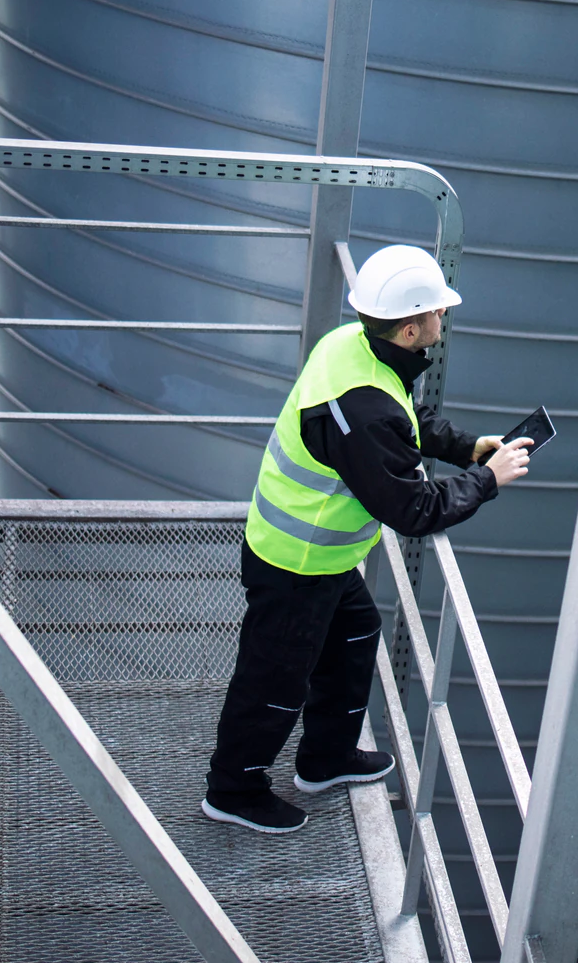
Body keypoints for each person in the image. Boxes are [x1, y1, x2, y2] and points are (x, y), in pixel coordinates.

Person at [202, 244, 533, 833]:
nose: (442, 319)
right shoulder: (364, 409)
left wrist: (467, 448)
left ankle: (325, 759)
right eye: (437, 312)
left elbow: (405, 422)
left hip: (319, 556)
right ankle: (233, 790)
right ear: (412, 328)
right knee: (274, 676)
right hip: (297, 563)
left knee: (356, 633)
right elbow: (414, 508)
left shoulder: (352, 347)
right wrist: (486, 480)